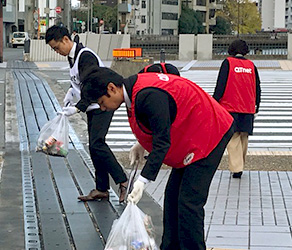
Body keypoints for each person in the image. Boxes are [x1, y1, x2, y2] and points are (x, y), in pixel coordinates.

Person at [80, 66, 234, 250]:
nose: (103, 108)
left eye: (102, 102)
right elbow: (160, 123)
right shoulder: (135, 91)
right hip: (190, 135)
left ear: (112, 88)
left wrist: (142, 181)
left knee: (189, 202)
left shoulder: (147, 96)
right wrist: (143, 145)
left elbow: (162, 142)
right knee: (172, 198)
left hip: (210, 132)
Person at [45, 25, 128, 202]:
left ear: (66, 40)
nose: (57, 51)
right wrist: (71, 92)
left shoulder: (85, 56)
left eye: (57, 47)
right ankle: (102, 188)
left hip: (102, 103)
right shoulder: (72, 56)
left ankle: (123, 180)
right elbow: (80, 82)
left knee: (98, 144)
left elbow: (91, 84)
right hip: (93, 105)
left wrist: (77, 108)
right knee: (94, 146)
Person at [213, 39, 261, 179]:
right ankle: (240, 165)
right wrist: (257, 105)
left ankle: (237, 168)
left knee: (233, 137)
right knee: (244, 136)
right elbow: (257, 87)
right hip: (248, 107)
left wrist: (214, 101)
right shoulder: (251, 65)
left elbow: (221, 84)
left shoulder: (228, 63)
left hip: (230, 106)